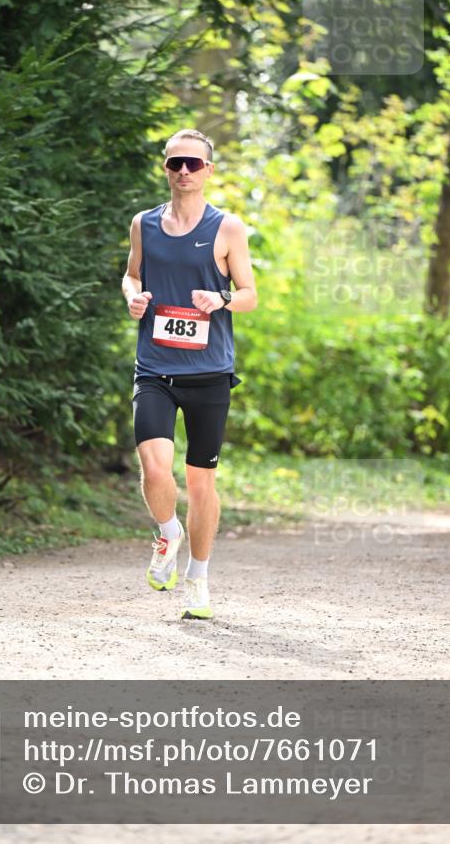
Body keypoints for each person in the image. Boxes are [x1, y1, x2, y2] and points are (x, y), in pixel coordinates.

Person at [122, 128, 257, 620]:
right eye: (176, 163)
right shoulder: (144, 224)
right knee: (155, 468)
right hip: (155, 367)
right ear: (165, 167)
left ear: (208, 172)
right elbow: (132, 273)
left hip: (209, 374)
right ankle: (167, 533)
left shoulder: (228, 228)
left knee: (201, 484)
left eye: (193, 164)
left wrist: (221, 298)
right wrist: (132, 295)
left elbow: (249, 294)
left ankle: (198, 579)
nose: (184, 171)